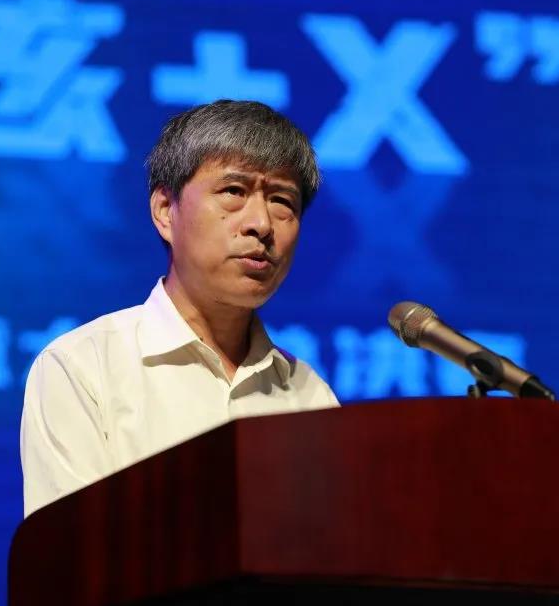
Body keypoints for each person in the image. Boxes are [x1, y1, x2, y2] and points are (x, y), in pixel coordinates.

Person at [20, 100, 340, 517]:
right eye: (234, 192)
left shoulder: (309, 396)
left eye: (282, 200)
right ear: (164, 212)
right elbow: (70, 549)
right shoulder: (84, 368)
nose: (261, 224)